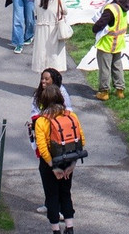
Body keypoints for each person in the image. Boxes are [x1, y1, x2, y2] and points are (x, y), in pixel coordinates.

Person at [33, 84, 85, 233]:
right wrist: (72, 165)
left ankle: (55, 230)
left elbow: (42, 148)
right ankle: (70, 227)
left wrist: (53, 167)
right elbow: (80, 140)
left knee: (52, 196)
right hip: (69, 160)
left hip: (50, 163)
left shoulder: (42, 121)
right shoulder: (71, 116)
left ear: (43, 101)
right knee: (65, 193)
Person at [91, 0, 129, 100]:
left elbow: (101, 23)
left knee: (105, 68)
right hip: (118, 43)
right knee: (117, 66)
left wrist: (94, 28)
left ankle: (104, 91)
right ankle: (120, 90)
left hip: (107, 43)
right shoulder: (123, 5)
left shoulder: (111, 8)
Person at [31, 0, 69, 72]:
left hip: (41, 31)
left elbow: (35, 14)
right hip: (55, 31)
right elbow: (65, 11)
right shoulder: (58, 0)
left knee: (42, 58)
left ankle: (43, 81)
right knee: (54, 58)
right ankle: (54, 82)